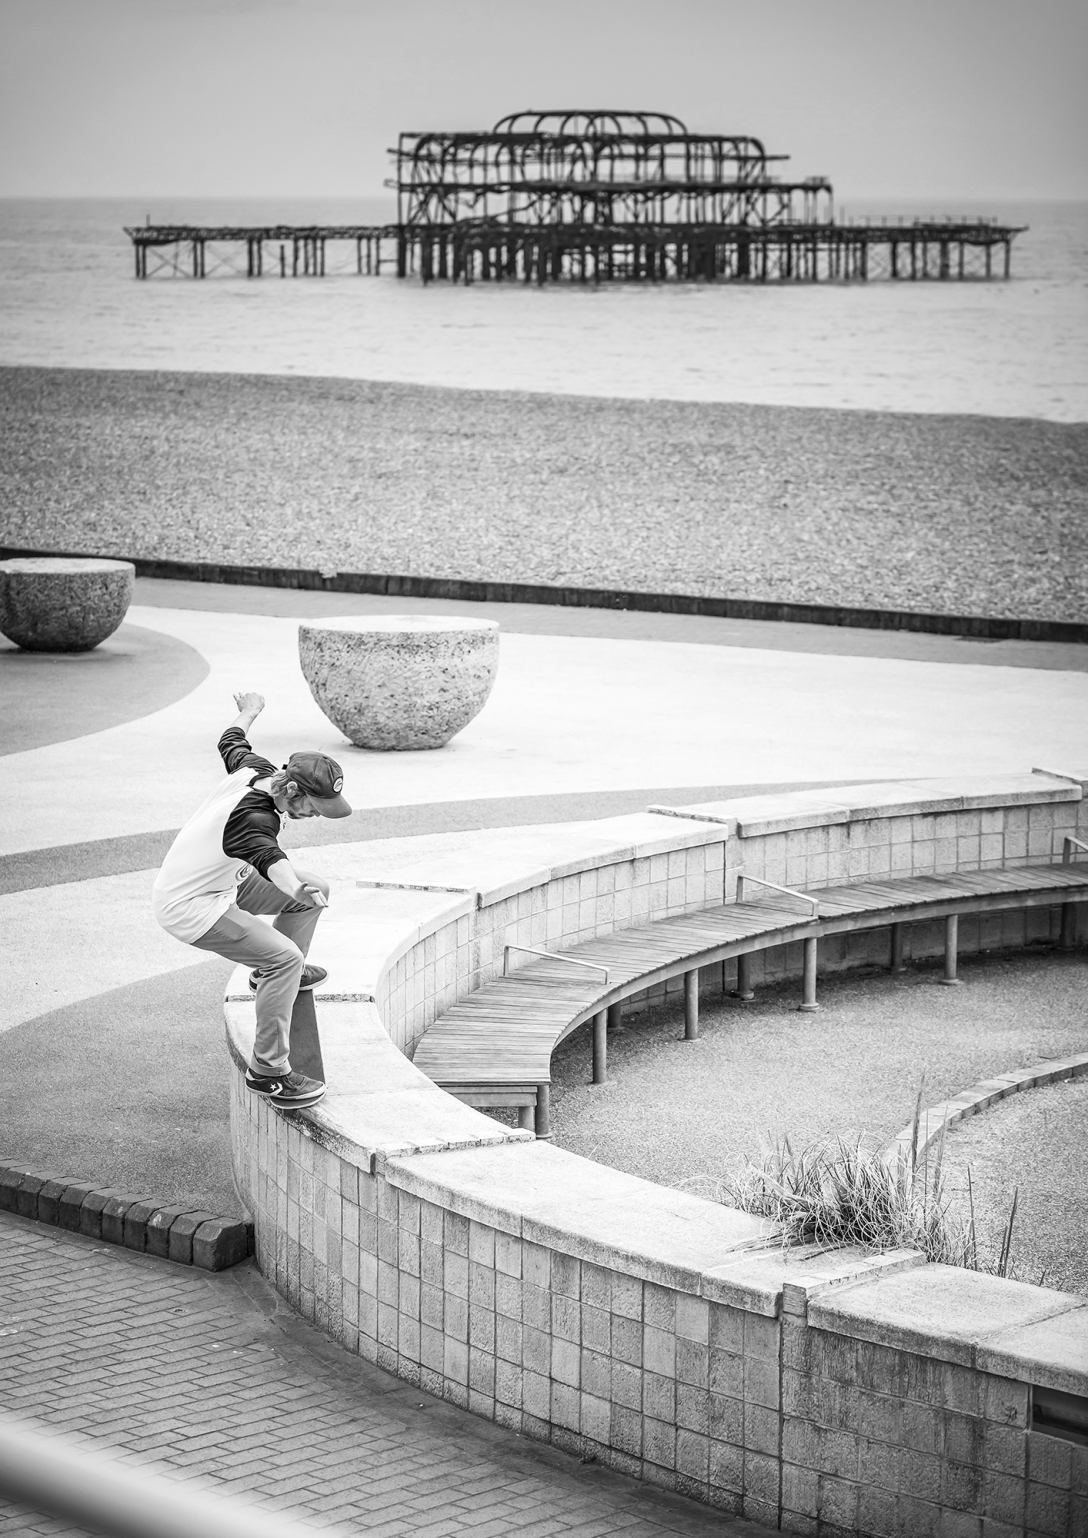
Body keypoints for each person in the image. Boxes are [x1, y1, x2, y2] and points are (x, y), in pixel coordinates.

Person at [152, 691, 351, 1109]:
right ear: (291, 788)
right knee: (285, 956)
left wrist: (249, 711)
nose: (317, 814)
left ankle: (270, 979)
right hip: (193, 906)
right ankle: (268, 1072)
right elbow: (269, 857)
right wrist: (293, 887)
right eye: (314, 806)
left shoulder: (255, 769)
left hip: (223, 881)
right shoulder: (253, 817)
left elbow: (231, 741)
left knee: (316, 893)